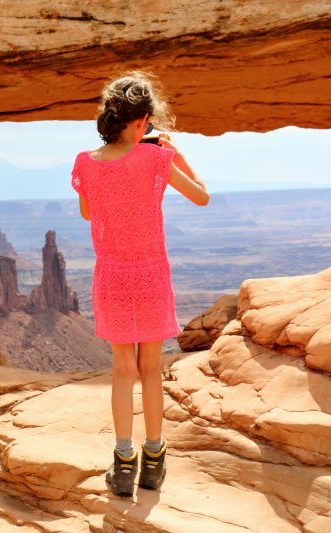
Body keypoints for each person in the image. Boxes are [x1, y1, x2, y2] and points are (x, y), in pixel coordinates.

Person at [70, 72, 210, 497]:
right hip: (150, 273)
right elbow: (202, 196)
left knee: (121, 369)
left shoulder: (85, 161)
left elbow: (88, 215)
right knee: (152, 370)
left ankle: (123, 462)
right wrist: (174, 154)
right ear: (143, 119)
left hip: (111, 274)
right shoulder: (156, 159)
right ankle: (154, 461)